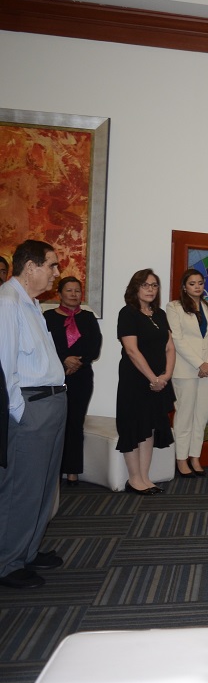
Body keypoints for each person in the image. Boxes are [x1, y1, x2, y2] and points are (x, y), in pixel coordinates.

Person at [0, 240, 66, 589]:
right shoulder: (7, 302)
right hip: (31, 407)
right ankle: (8, 562)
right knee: (21, 489)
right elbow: (4, 364)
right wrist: (19, 413)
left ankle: (28, 549)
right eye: (52, 265)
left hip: (51, 403)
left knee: (43, 486)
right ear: (30, 267)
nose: (56, 272)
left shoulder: (32, 304)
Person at [116, 269, 176, 495]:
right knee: (133, 426)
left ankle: (145, 477)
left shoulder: (159, 314)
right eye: (145, 285)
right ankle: (134, 479)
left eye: (154, 285)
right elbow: (131, 350)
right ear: (135, 288)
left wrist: (166, 376)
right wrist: (153, 378)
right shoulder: (128, 313)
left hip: (159, 380)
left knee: (149, 427)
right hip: (136, 380)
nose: (150, 289)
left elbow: (170, 347)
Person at [44, 277, 102, 486]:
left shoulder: (88, 317)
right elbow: (45, 345)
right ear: (59, 293)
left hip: (81, 377)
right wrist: (63, 360)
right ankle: (53, 471)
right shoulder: (48, 317)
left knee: (75, 424)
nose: (74, 294)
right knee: (55, 424)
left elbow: (94, 347)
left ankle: (72, 471)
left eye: (77, 291)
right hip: (55, 377)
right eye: (69, 290)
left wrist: (76, 362)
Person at [167, 269, 208, 477]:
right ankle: (181, 459)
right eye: (192, 283)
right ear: (184, 286)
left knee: (201, 416)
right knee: (184, 415)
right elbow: (177, 339)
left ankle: (195, 457)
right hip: (185, 369)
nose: (197, 287)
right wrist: (200, 363)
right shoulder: (174, 307)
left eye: (200, 283)